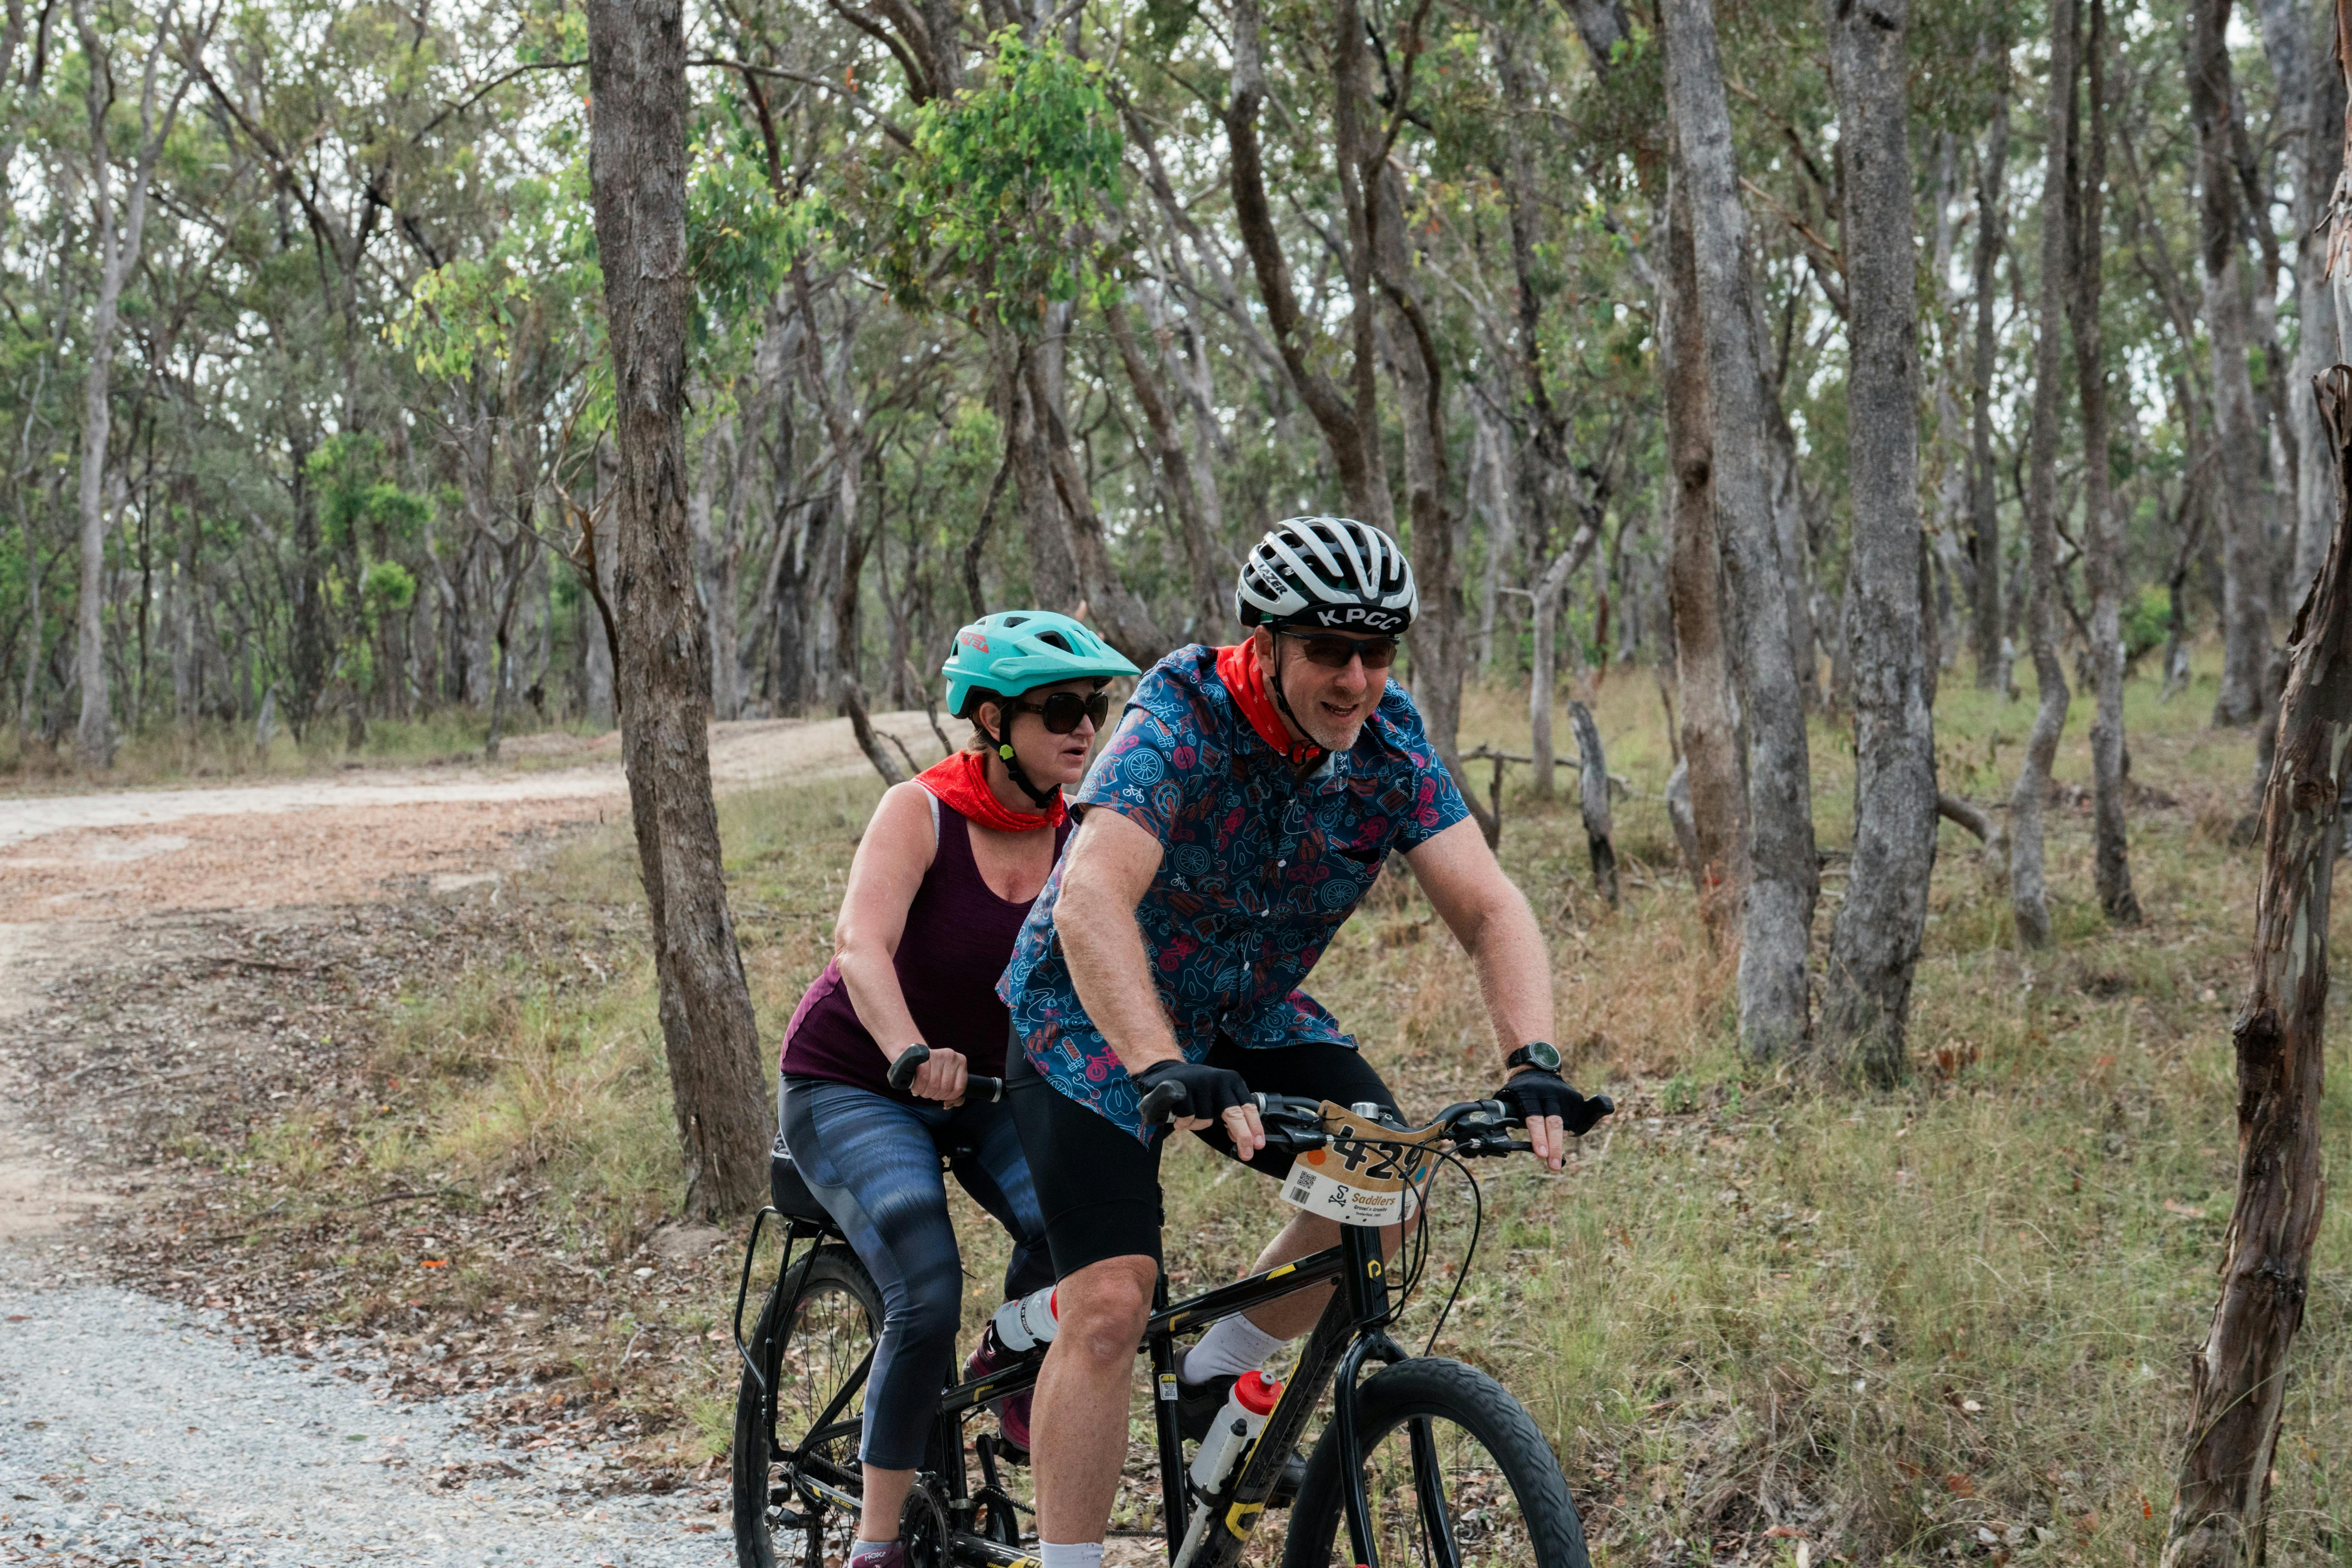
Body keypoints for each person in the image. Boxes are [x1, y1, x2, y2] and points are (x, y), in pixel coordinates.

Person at [999, 517, 1611, 1568]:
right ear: (1267, 640)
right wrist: (1157, 1063)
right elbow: (1092, 898)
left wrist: (1534, 1062)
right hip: (1090, 1018)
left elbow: (1488, 907)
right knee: (1112, 1303)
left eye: (1377, 653)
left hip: (1247, 1011)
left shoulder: (1390, 739)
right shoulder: (1179, 716)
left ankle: (1214, 1372)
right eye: (1330, 650)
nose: (1356, 680)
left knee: (1389, 1182)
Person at [776, 610, 1138, 1568]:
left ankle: (1012, 1362)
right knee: (927, 1290)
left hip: (990, 1088)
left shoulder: (1084, 833)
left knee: (1089, 1248)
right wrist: (905, 1051)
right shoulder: (919, 809)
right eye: (1058, 708)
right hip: (857, 1081)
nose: (1083, 728)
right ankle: (876, 1543)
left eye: (1092, 708)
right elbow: (859, 945)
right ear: (988, 720)